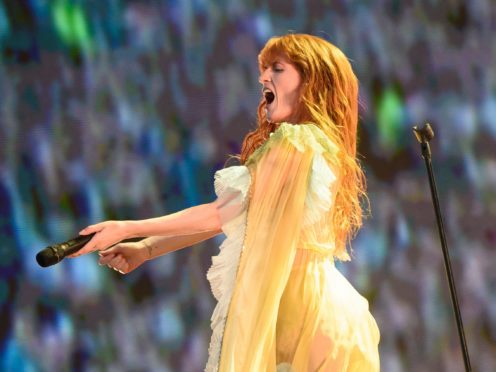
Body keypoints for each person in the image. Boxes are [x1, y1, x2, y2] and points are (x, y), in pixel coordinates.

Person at [72, 33, 380, 371]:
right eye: (264, 70)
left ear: (310, 81)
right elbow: (239, 218)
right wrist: (146, 249)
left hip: (300, 314)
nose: (264, 78)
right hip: (323, 314)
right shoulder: (315, 144)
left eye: (277, 69)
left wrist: (126, 228)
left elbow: (222, 214)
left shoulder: (296, 143)